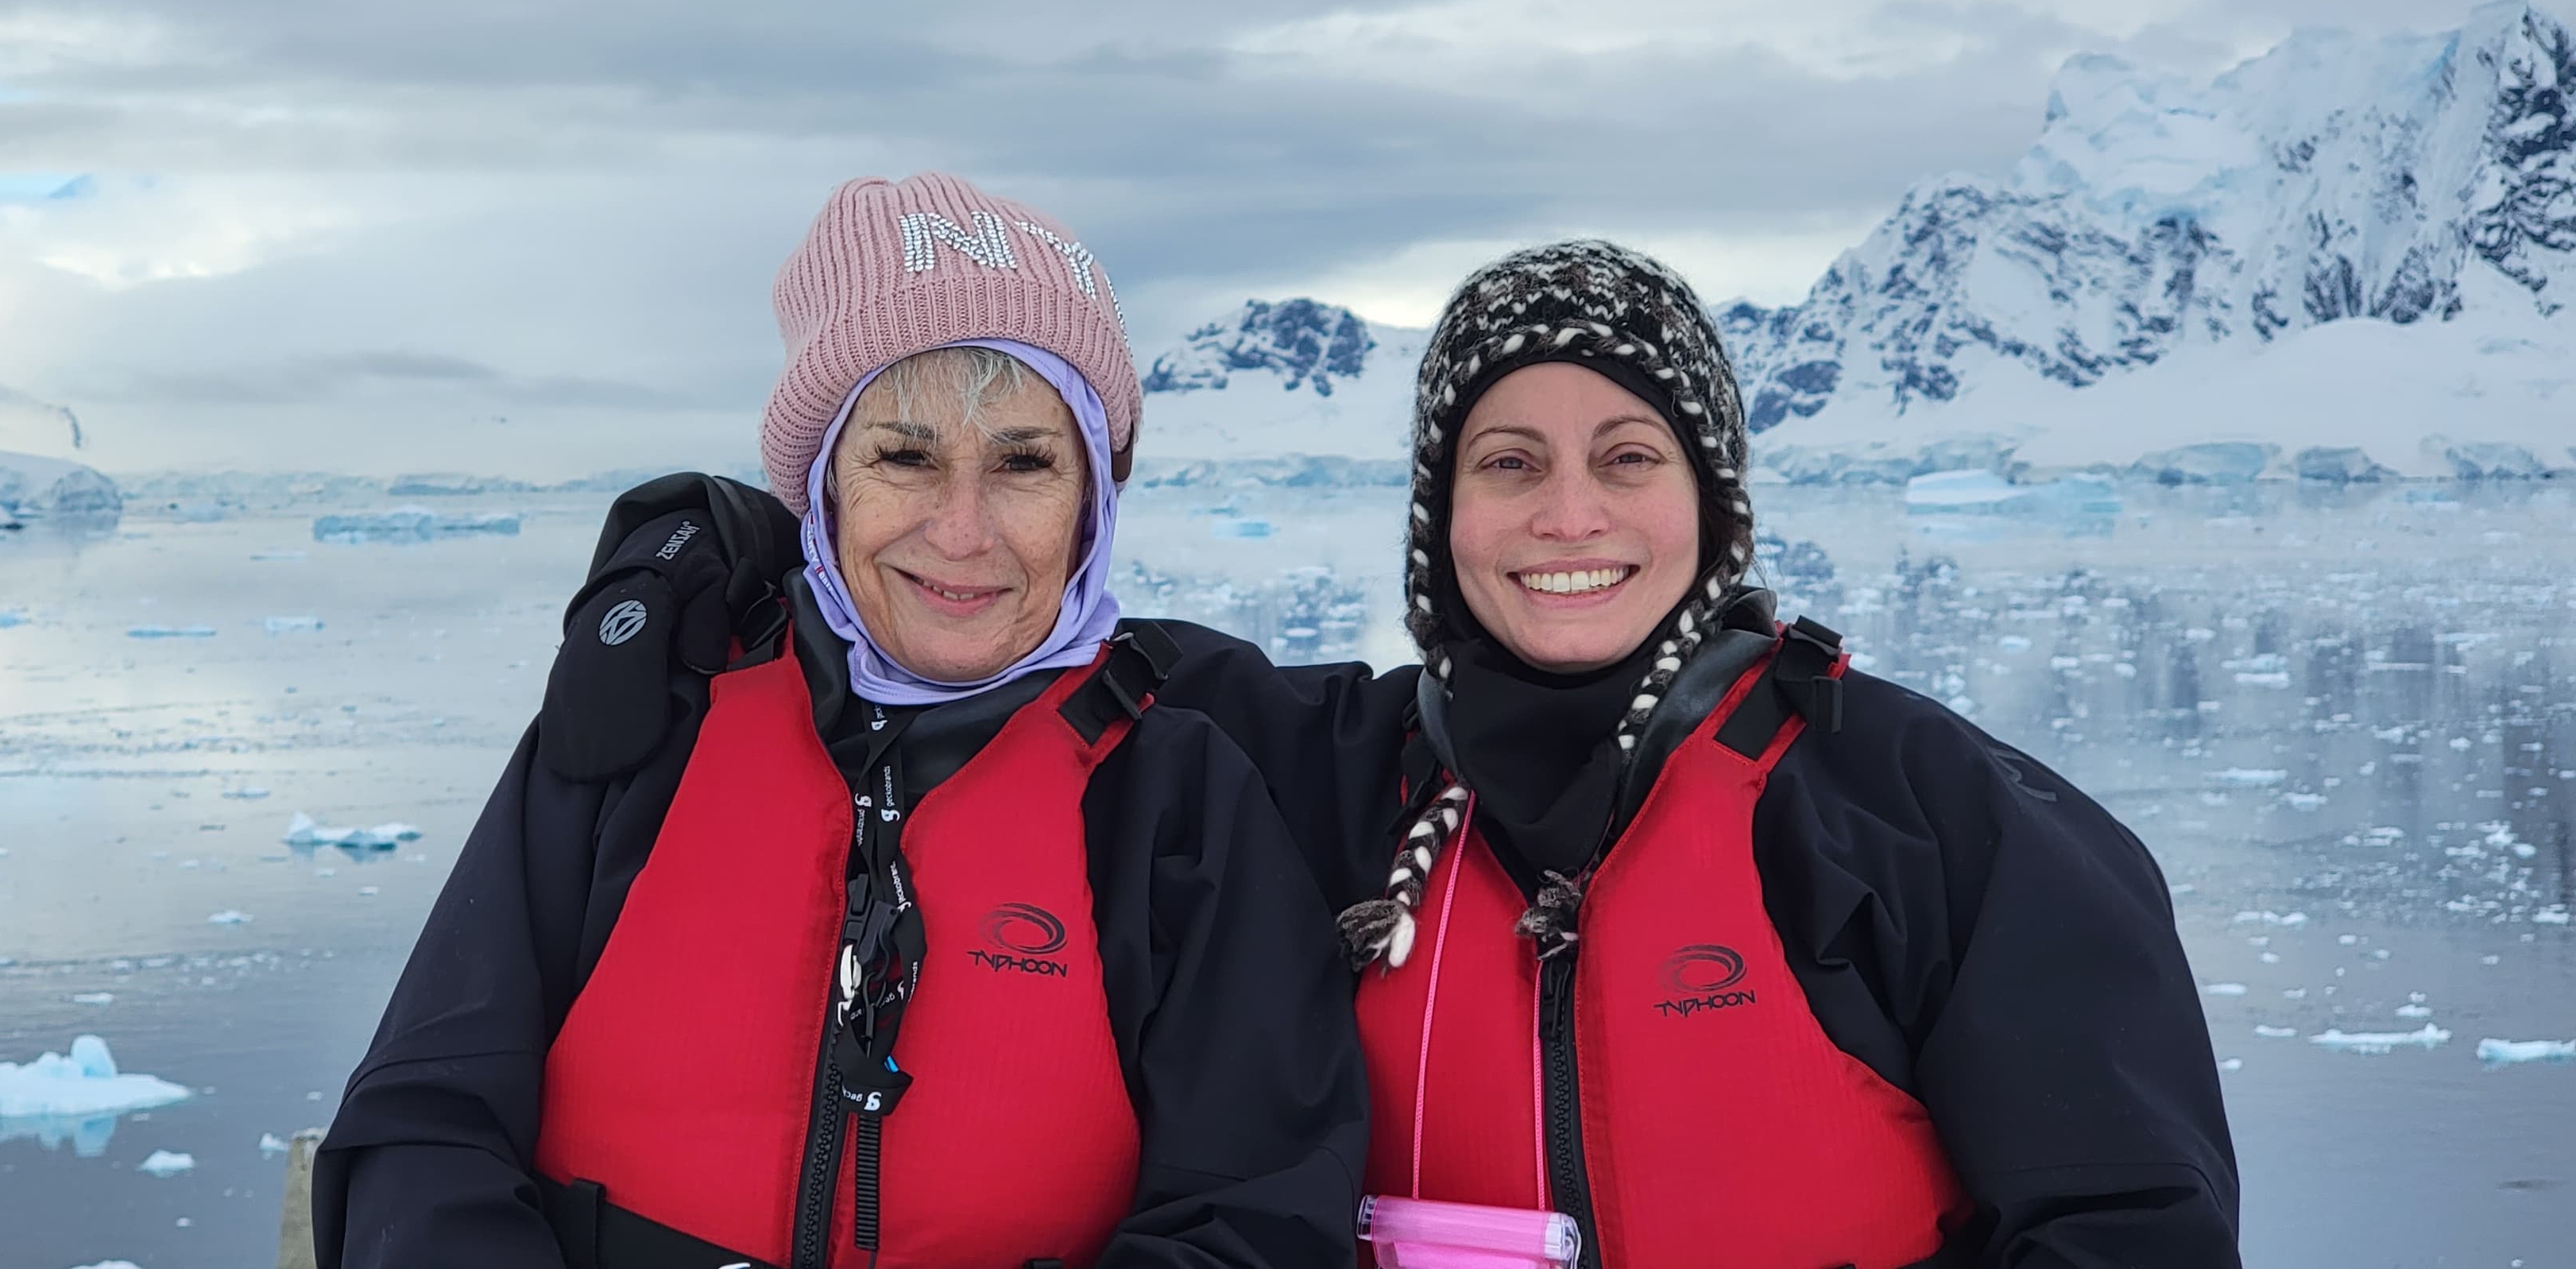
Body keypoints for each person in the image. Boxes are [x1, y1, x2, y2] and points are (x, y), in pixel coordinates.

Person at [596, 240, 2244, 1266]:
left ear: (1713, 500)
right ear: (1441, 515)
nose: (1567, 515)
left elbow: (2131, 1229)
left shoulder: (1925, 817)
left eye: (1628, 456)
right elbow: (1000, 619)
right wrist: (751, 560)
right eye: (1507, 460)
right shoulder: (1318, 766)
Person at [311, 173, 1365, 1269]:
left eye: (1025, 464)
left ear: (1095, 495)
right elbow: (426, 1124)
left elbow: (1256, 1218)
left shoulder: (1175, 796)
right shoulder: (652, 722)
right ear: (822, 484)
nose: (962, 532)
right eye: (904, 457)